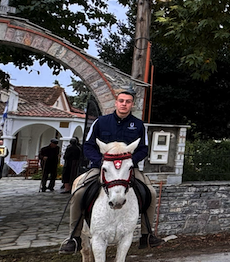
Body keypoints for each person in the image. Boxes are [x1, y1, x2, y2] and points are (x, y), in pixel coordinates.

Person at [59, 89, 164, 253]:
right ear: (116, 103)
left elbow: (143, 149)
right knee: (79, 193)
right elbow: (88, 145)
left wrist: (129, 162)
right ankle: (74, 237)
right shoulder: (101, 122)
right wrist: (100, 162)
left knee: (150, 192)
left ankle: (147, 234)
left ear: (132, 104)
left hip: (127, 169)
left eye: (128, 101)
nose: (124, 104)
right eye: (121, 101)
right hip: (102, 167)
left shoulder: (138, 125)